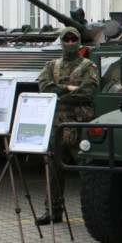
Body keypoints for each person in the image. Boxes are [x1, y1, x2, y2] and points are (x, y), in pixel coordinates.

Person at [35, 27, 99, 225]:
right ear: (61, 41)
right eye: (66, 39)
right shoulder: (52, 66)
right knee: (52, 170)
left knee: (86, 171)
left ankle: (95, 212)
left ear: (78, 41)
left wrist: (60, 92)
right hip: (55, 125)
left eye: (73, 39)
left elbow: (87, 91)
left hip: (78, 125)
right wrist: (69, 88)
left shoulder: (88, 66)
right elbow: (44, 87)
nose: (70, 43)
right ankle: (53, 211)